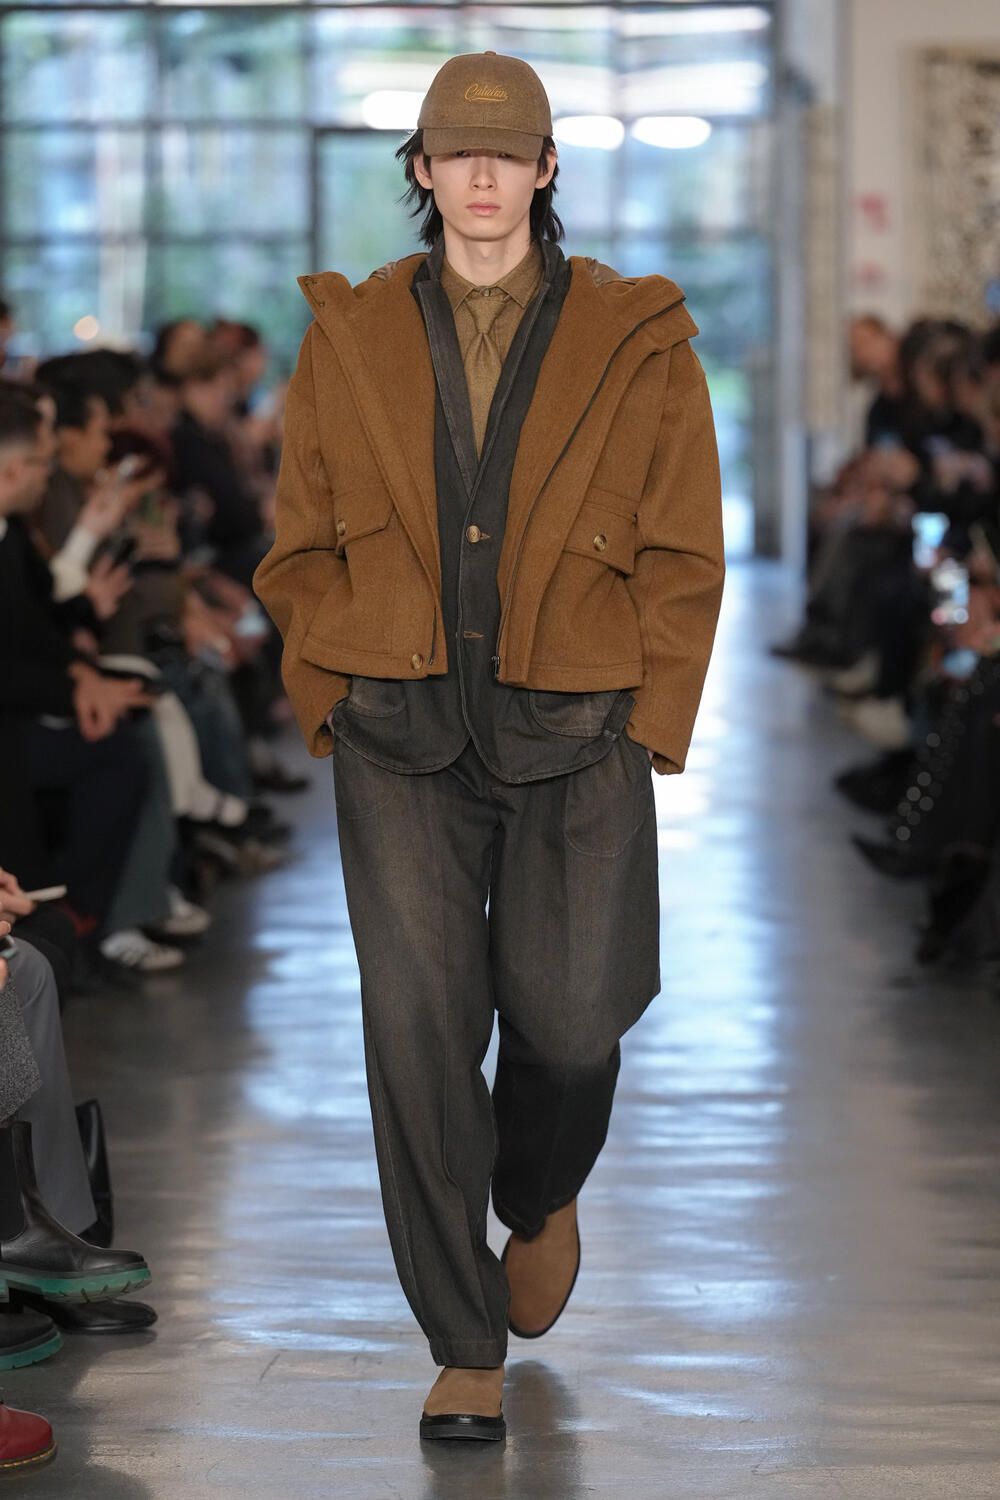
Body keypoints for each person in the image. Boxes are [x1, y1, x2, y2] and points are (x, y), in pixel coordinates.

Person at [255, 50, 724, 1442]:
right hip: (397, 726)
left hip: (577, 724)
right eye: (457, 152)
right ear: (420, 168)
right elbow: (299, 538)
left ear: (545, 168)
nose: (481, 174)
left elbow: (685, 546)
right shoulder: (349, 335)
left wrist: (650, 716)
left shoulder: (638, 336)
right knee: (417, 1035)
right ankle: (463, 1339)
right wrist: (327, 681)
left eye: (508, 151)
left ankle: (541, 1189)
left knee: (574, 1021)